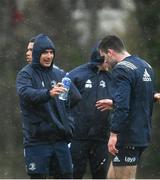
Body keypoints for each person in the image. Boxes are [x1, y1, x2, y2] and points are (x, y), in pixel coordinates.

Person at [16, 34, 81, 179]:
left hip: (60, 140)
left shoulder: (59, 74)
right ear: (38, 53)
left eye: (51, 52)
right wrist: (48, 94)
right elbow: (26, 93)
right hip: (37, 140)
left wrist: (67, 120)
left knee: (66, 176)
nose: (49, 56)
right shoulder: (25, 74)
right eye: (45, 52)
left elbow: (76, 97)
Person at [96, 35, 155, 179]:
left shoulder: (121, 69)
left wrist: (114, 133)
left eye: (103, 57)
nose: (105, 62)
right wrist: (114, 102)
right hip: (142, 132)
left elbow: (123, 106)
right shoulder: (145, 66)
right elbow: (140, 97)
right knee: (112, 177)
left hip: (127, 136)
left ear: (110, 52)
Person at [68, 42, 112, 179]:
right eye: (108, 59)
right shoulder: (76, 75)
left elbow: (127, 96)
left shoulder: (113, 77)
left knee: (100, 175)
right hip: (77, 137)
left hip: (101, 138)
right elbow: (62, 102)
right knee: (75, 174)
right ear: (101, 58)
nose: (111, 63)